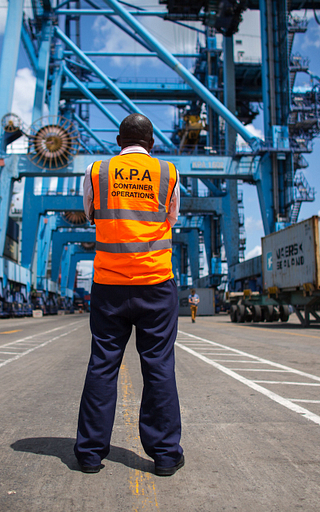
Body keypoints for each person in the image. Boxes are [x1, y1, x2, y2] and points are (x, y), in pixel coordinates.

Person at [74, 113, 184, 477]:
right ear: (151, 143)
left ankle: (89, 454)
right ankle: (166, 455)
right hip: (156, 283)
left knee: (103, 366)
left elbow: (90, 214)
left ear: (119, 141)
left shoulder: (97, 171)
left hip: (109, 286)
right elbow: (171, 219)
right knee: (159, 367)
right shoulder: (168, 172)